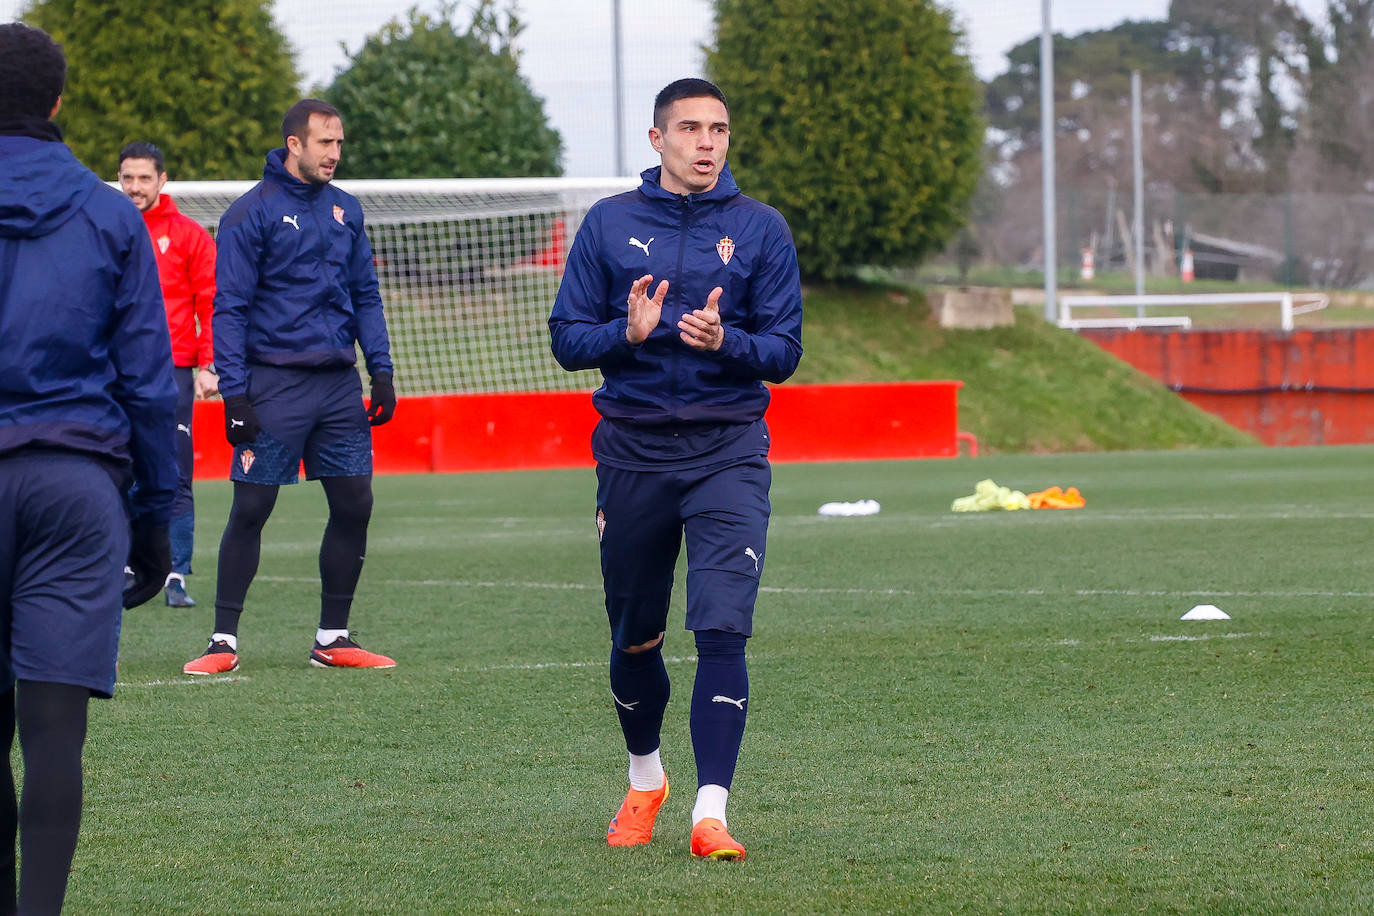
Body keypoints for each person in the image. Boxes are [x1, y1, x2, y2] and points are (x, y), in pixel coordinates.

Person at [549, 77, 803, 860]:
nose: (706, 142)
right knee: (635, 637)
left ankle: (711, 813)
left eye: (718, 129)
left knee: (723, 627)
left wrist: (727, 343)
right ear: (656, 139)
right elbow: (566, 340)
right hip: (632, 452)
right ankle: (646, 777)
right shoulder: (609, 223)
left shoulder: (761, 230)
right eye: (689, 128)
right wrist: (626, 334)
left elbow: (784, 354)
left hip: (729, 450)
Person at [0, 23, 177, 912]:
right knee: (55, 736)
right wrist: (156, 520)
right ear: (59, 103)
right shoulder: (111, 213)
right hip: (76, 484)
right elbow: (150, 385)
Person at [182, 98, 397, 676]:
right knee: (252, 506)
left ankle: (333, 637)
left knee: (356, 503)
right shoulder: (250, 213)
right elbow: (229, 307)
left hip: (336, 385)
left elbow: (366, 296)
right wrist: (236, 394)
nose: (335, 153)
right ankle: (222, 641)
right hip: (272, 384)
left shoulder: (346, 211)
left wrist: (381, 370)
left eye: (340, 143)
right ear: (294, 144)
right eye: (325, 143)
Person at [118, 141, 219, 609]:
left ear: (162, 180)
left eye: (144, 178)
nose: (135, 187)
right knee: (114, 468)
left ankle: (176, 574)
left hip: (171, 371)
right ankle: (118, 563)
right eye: (127, 178)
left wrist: (208, 364)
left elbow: (210, 302)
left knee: (175, 471)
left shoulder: (190, 236)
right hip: (113, 371)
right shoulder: (108, 228)